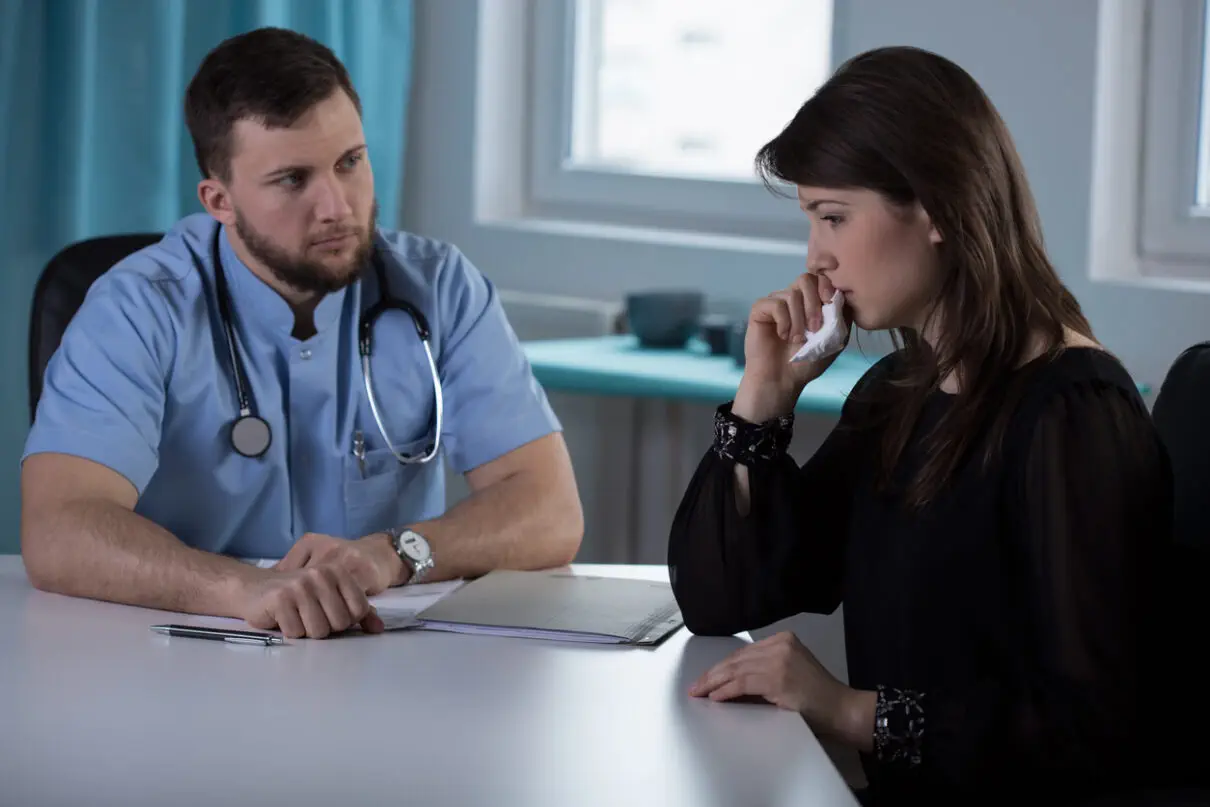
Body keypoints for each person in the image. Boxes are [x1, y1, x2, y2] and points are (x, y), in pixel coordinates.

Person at [667, 46, 1193, 804]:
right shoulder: (898, 390)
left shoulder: (1074, 414)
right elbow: (720, 599)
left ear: (938, 209)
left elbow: (1094, 733)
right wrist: (763, 398)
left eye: (834, 217)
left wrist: (853, 711)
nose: (816, 256)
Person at [20, 27, 583, 640]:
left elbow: (549, 511)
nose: (337, 205)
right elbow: (60, 528)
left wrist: (393, 554)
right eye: (293, 179)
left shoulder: (439, 287)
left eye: (350, 162)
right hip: (191, 649)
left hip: (388, 656)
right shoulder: (137, 308)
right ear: (219, 200)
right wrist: (242, 590)